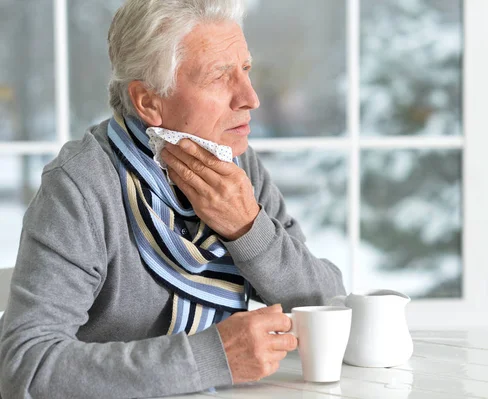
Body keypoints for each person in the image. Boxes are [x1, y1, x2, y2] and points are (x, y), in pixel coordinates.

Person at [0, 1, 346, 397]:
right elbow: (26, 368)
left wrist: (247, 227)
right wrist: (214, 358)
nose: (250, 97)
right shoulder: (80, 187)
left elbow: (327, 306)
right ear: (149, 102)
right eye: (220, 75)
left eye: (246, 70)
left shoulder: (236, 164)